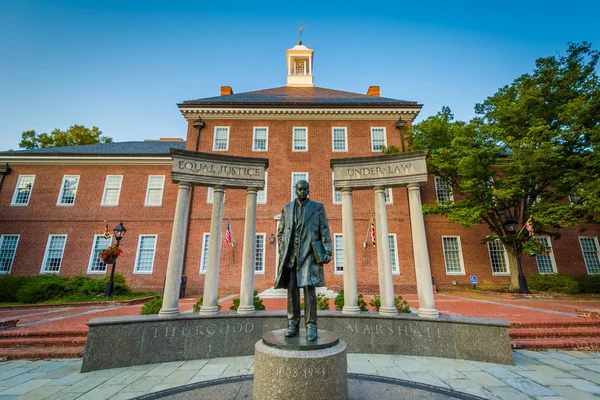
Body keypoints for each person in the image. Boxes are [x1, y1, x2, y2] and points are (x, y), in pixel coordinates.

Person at [275, 180, 332, 341]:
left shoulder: (317, 207)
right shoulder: (287, 209)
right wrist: (282, 249)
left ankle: (311, 325)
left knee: (309, 291)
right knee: (292, 291)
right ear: (295, 190)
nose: (302, 192)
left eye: (305, 189)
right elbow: (280, 233)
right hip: (291, 256)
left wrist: (327, 250)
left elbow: (324, 230)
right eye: (299, 189)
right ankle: (292, 323)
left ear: (309, 190)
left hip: (309, 254)